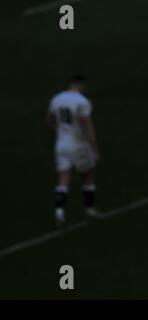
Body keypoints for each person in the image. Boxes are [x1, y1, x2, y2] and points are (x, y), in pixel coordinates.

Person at [47, 74, 100, 227]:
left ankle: (59, 213)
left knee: (63, 179)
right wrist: (95, 150)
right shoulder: (82, 102)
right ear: (82, 85)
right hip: (79, 144)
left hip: (61, 144)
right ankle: (89, 210)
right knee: (87, 177)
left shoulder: (56, 99)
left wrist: (59, 132)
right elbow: (87, 126)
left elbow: (49, 122)